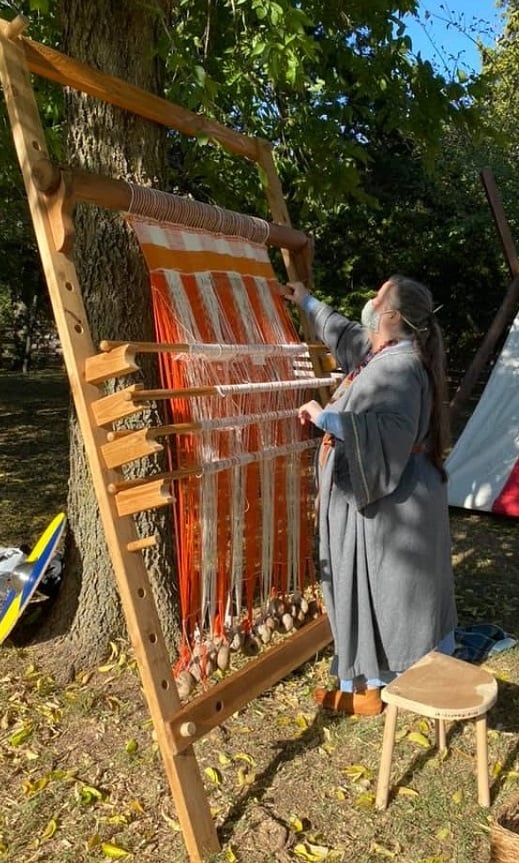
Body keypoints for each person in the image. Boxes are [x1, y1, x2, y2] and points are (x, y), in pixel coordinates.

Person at [284, 274, 457, 716]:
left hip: (389, 501)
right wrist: (305, 300)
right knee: (384, 588)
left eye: (378, 295)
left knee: (387, 588)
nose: (370, 298)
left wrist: (328, 419)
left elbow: (392, 433)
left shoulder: (398, 366)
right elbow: (343, 333)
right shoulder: (384, 353)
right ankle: (371, 682)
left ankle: (373, 687)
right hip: (390, 494)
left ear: (392, 315)